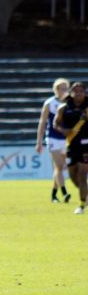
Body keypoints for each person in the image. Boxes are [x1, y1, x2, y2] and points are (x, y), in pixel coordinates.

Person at [53, 82, 88, 214]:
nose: (78, 93)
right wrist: (63, 130)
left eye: (81, 91)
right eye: (75, 91)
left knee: (82, 175)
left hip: (86, 144)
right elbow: (55, 124)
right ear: (71, 93)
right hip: (71, 145)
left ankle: (82, 205)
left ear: (85, 93)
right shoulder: (63, 108)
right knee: (73, 176)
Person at [35, 78, 71, 203]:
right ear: (56, 90)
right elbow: (42, 122)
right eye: (62, 88)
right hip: (52, 138)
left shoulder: (70, 103)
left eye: (66, 88)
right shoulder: (49, 103)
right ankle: (65, 193)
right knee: (59, 167)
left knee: (61, 168)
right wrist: (39, 142)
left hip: (66, 140)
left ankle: (53, 195)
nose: (65, 91)